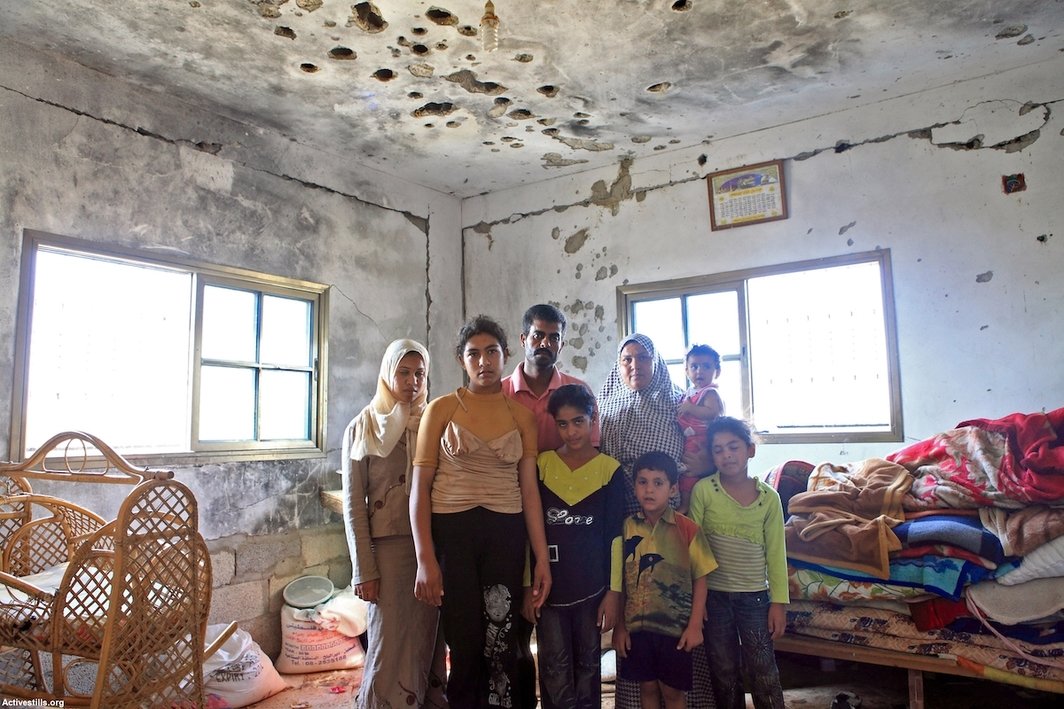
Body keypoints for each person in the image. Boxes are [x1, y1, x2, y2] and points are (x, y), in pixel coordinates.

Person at [410, 315, 552, 709]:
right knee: (464, 638)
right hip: (452, 534)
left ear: (506, 355)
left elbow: (529, 493)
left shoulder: (521, 417)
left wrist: (541, 558)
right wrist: (425, 559)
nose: (484, 361)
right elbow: (419, 490)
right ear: (461, 359)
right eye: (474, 354)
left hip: (506, 533)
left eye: (492, 352)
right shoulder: (440, 410)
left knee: (502, 636)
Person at [597, 333, 715, 709]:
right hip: (625, 519)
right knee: (636, 604)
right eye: (627, 359)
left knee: (674, 605)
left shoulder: (678, 403)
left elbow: (705, 442)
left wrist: (702, 464)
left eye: (643, 358)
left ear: (657, 363)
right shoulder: (606, 406)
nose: (635, 365)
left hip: (672, 518)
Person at [340, 339, 447, 709]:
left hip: (432, 547)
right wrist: (363, 569)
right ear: (388, 373)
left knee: (428, 638)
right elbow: (354, 505)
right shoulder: (363, 427)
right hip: (388, 553)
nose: (412, 382)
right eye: (404, 372)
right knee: (390, 641)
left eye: (420, 374)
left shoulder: (433, 423)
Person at [527, 384, 624, 709]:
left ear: (592, 419)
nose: (571, 432)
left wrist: (613, 592)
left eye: (578, 421)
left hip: (592, 590)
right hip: (549, 590)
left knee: (588, 667)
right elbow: (529, 531)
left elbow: (615, 536)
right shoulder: (542, 465)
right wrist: (527, 585)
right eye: (563, 424)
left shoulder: (609, 470)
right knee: (553, 668)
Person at [687, 417, 788, 709]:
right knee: (724, 670)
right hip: (714, 598)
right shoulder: (704, 491)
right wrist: (698, 600)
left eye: (733, 447)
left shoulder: (769, 499)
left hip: (755, 599)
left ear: (750, 450)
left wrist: (778, 603)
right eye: (718, 449)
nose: (727, 455)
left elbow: (776, 554)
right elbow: (693, 548)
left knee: (763, 669)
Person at [612, 452, 716, 709]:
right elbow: (621, 582)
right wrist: (620, 627)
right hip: (638, 629)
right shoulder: (626, 528)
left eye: (658, 483)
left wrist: (695, 626)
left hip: (675, 631)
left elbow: (701, 578)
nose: (649, 490)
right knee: (647, 688)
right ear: (634, 486)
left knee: (672, 693)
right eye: (642, 482)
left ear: (672, 489)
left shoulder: (688, 529)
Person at [503, 304, 600, 453]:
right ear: (523, 340)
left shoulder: (580, 391)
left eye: (554, 338)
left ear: (561, 345)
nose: (545, 343)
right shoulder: (499, 392)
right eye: (538, 336)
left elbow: (591, 452)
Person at [676, 345, 724, 513]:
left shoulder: (710, 393)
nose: (699, 371)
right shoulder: (689, 393)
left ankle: (687, 504)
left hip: (703, 437)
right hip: (690, 437)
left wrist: (690, 408)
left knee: (690, 473)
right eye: (694, 366)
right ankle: (688, 503)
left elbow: (712, 413)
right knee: (686, 473)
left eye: (706, 366)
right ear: (687, 371)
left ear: (717, 372)